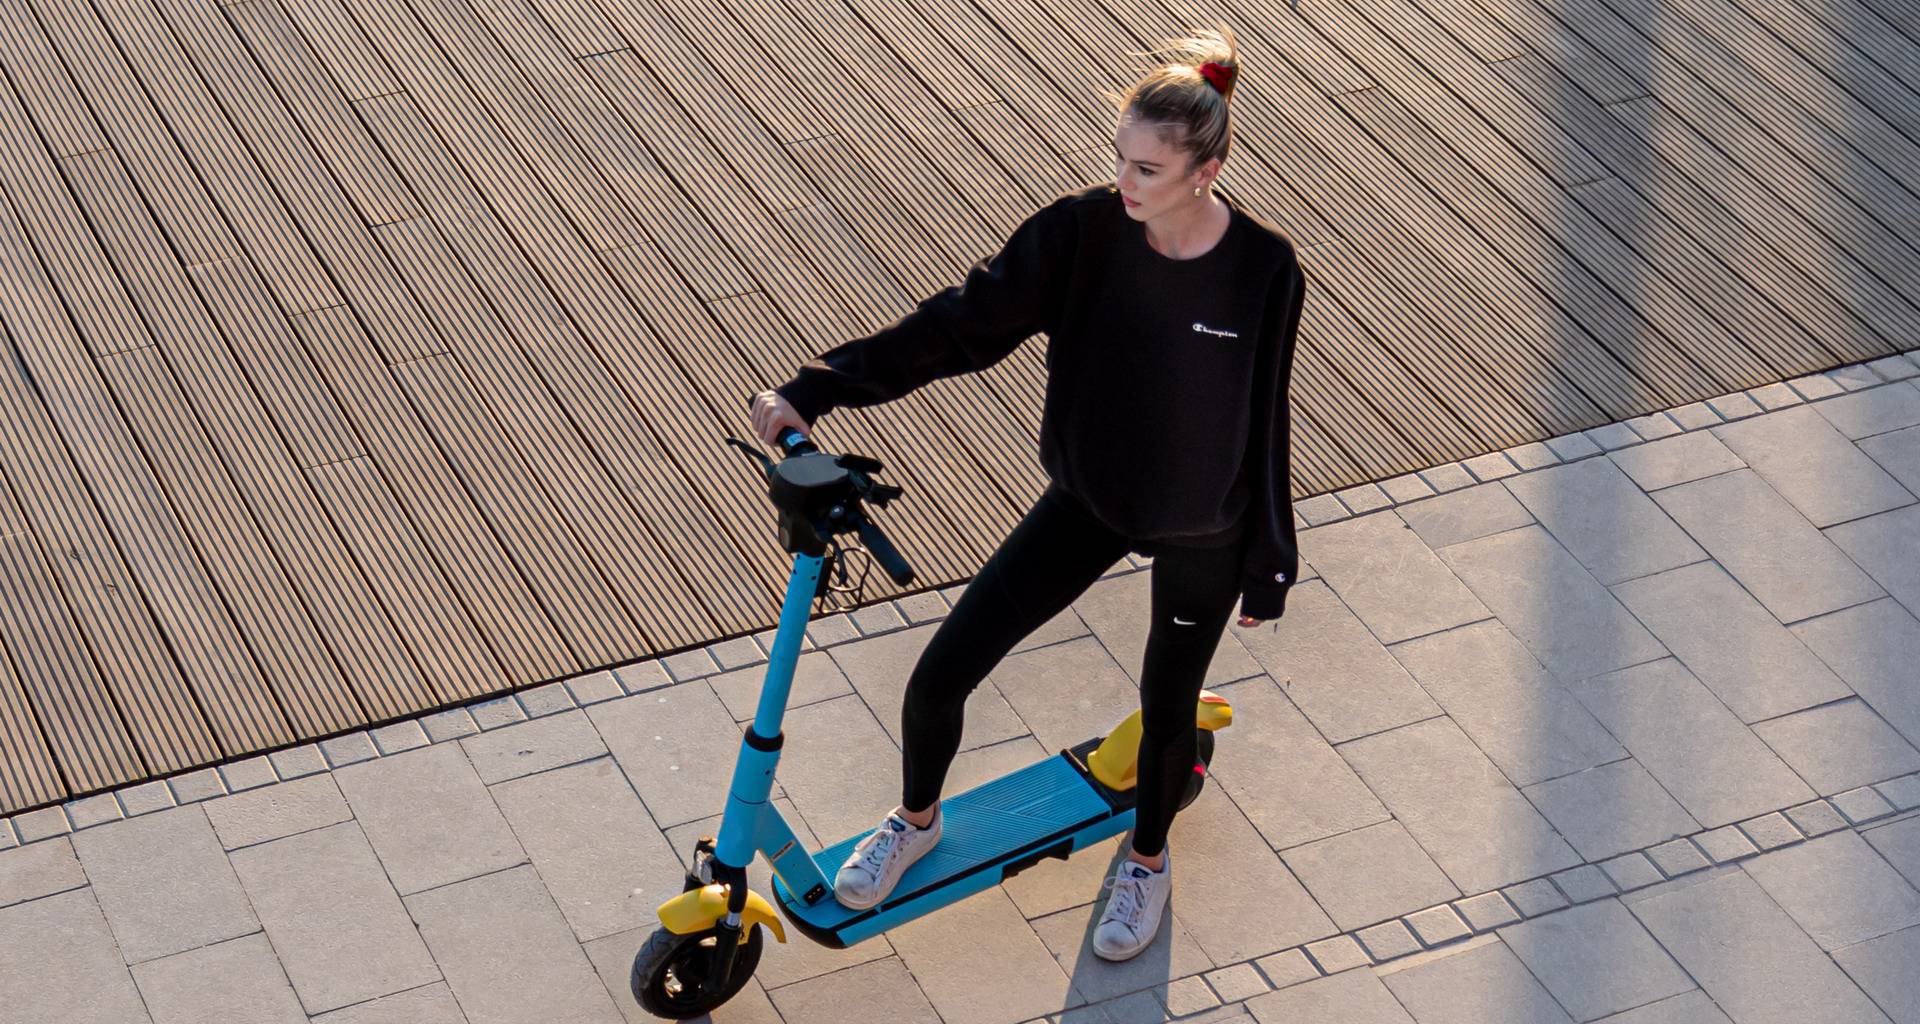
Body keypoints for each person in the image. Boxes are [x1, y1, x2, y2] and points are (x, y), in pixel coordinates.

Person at [749, 26, 1304, 963]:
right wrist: (818, 387)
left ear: (1207, 170)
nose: (1126, 183)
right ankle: (916, 821)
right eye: (1120, 159)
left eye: (1149, 169)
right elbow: (958, 327)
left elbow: (1267, 415)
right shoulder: (1083, 234)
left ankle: (1148, 859)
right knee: (939, 676)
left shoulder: (1263, 268)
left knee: (1168, 704)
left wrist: (1271, 560)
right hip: (1089, 498)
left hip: (1204, 525)